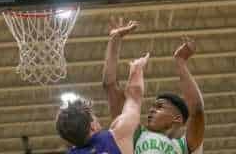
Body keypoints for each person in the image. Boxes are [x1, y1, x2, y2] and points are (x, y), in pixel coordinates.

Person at [102, 17, 204, 154]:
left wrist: (180, 62)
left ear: (177, 119)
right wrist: (115, 39)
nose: (151, 110)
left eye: (159, 107)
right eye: (153, 106)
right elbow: (110, 87)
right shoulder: (135, 134)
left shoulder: (182, 147)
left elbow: (197, 110)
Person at [56, 48, 150, 153]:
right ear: (92, 126)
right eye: (94, 117)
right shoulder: (117, 136)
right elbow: (134, 97)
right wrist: (137, 69)